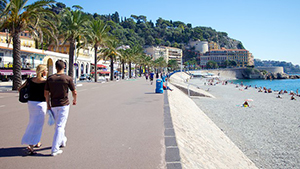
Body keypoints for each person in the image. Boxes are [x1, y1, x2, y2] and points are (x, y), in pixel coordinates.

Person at [44, 60, 77, 156]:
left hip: (54, 104)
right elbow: (74, 92)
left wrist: (48, 105)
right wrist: (74, 100)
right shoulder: (67, 78)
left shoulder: (50, 78)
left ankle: (62, 141)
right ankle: (55, 149)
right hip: (64, 105)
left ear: (55, 67)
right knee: (60, 126)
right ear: (64, 67)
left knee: (58, 125)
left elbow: (46, 93)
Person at [19, 64, 48, 155]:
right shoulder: (45, 82)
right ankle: (31, 144)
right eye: (46, 70)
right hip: (40, 104)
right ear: (43, 71)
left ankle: (37, 141)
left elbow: (20, 88)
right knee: (36, 125)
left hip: (31, 104)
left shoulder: (29, 80)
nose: (47, 71)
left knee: (33, 122)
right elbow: (46, 94)